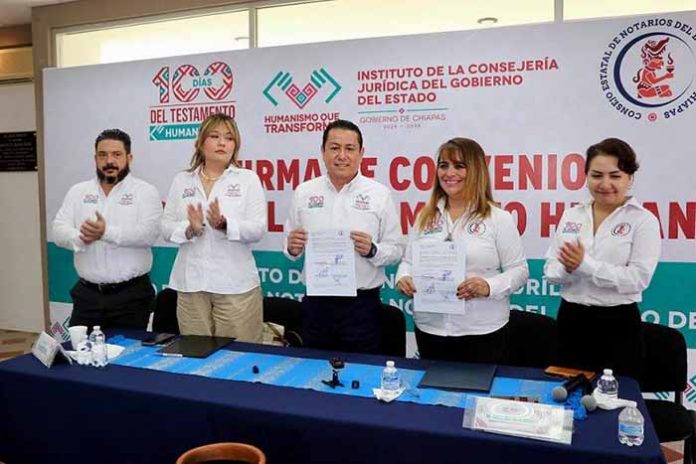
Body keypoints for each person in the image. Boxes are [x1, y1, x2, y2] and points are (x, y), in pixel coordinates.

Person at [396, 138, 528, 363]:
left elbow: (520, 271)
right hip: (430, 329)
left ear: (476, 171)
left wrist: (488, 286)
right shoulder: (425, 216)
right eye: (443, 165)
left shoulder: (498, 218)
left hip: (481, 331)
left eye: (459, 166)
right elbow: (408, 261)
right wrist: (404, 277)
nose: (449, 173)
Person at [544, 138, 660, 379]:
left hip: (618, 326)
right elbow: (551, 271)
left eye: (615, 176)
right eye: (596, 175)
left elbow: (638, 279)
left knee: (616, 397)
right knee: (566, 394)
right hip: (571, 320)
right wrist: (567, 268)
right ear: (586, 176)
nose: (605, 184)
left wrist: (585, 266)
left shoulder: (643, 220)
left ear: (630, 178)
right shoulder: (572, 215)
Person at [285, 119, 404, 353]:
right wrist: (292, 248)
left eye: (349, 149)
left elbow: (397, 250)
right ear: (323, 151)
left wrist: (373, 250)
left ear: (361, 153)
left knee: (360, 369)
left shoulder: (379, 194)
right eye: (334, 148)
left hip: (361, 306)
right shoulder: (304, 192)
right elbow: (290, 248)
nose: (342, 156)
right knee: (314, 368)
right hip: (316, 304)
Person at [162, 113, 266, 342]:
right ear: (201, 142)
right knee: (196, 354)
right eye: (215, 136)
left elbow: (258, 228)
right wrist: (190, 229)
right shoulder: (182, 180)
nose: (222, 143)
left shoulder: (247, 179)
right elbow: (166, 228)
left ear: (235, 145)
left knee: (239, 356)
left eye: (229, 138)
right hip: (191, 285)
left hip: (235, 286)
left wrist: (225, 224)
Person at [52, 129, 162, 330]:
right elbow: (58, 230)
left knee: (126, 350)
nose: (109, 161)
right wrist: (81, 237)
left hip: (131, 296)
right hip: (87, 296)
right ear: (95, 158)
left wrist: (106, 233)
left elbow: (149, 234)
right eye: (102, 155)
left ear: (129, 158)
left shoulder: (145, 192)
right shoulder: (78, 192)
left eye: (116, 154)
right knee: (80, 349)